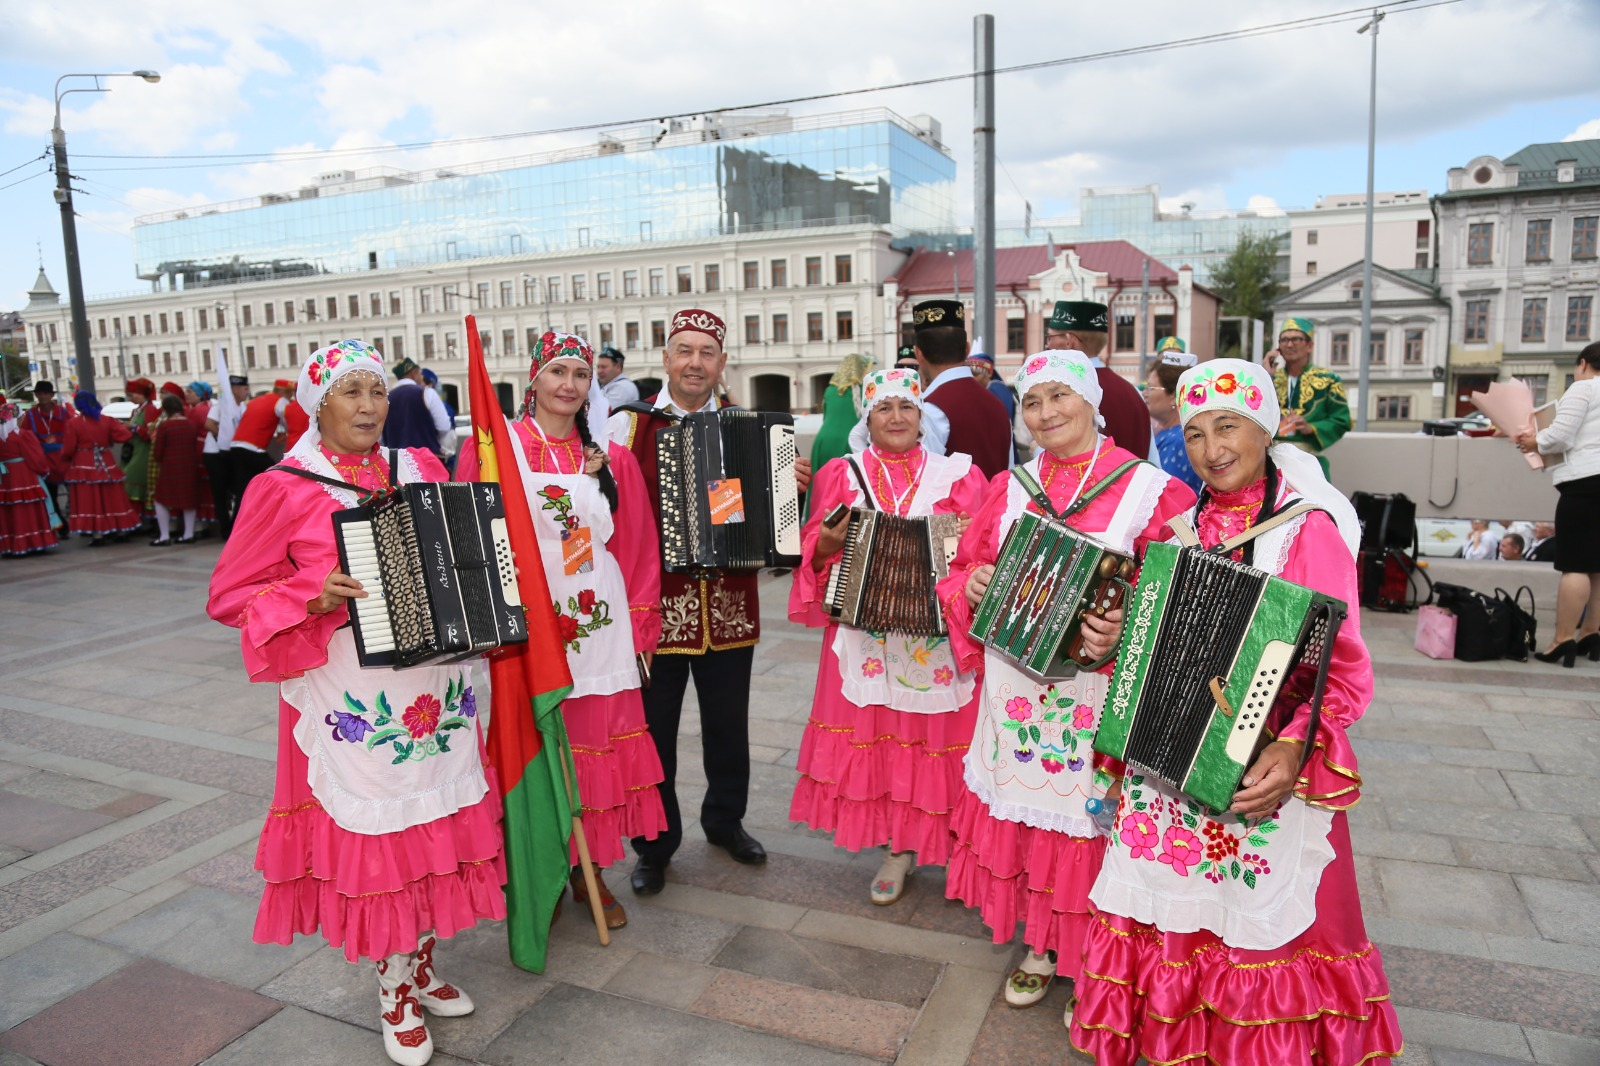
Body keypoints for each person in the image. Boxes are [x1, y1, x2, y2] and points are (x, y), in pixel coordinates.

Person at [1071, 357, 1402, 1065]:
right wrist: (1109, 640)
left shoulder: (1305, 531)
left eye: (1228, 426)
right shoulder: (1174, 533)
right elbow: (1146, 644)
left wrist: (1294, 746)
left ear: (1267, 427)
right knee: (1173, 911)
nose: (1212, 449)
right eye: (1193, 434)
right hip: (1168, 766)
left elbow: (1339, 667)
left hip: (1266, 762)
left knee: (1262, 920)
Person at [208, 340, 502, 1066]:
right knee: (386, 840)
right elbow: (228, 596)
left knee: (435, 825)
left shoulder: (421, 466)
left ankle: (421, 966)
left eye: (376, 391)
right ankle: (392, 988)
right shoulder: (283, 486)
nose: (369, 406)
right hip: (354, 694)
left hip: (439, 685)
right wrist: (307, 594)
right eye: (351, 393)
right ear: (320, 404)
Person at [938, 349, 1196, 1019]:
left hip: (1100, 696)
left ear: (1091, 402)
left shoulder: (1151, 490)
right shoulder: (1011, 485)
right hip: (1018, 691)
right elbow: (963, 567)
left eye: (1060, 396)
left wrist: (1127, 618)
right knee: (1034, 823)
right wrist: (970, 583)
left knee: (1095, 825)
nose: (1047, 412)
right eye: (1032, 401)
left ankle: (1102, 958)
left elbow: (1183, 596)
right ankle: (1044, 947)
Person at [457, 331, 667, 928]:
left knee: (589, 749)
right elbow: (471, 539)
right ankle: (537, 868)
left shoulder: (610, 458)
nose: (570, 384)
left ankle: (589, 869)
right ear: (533, 380)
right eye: (558, 372)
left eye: (581, 373)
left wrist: (642, 630)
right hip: (527, 628)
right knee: (533, 747)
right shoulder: (495, 452)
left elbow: (637, 549)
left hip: (596, 629)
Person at [605, 308, 812, 894]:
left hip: (728, 604)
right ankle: (654, 843)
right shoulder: (627, 426)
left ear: (722, 364)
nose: (695, 363)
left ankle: (726, 821)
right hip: (655, 609)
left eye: (707, 353)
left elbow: (773, 532)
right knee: (654, 730)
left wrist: (788, 489)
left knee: (728, 725)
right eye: (685, 351)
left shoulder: (749, 427)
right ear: (666, 358)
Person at [789, 368, 990, 903]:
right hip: (866, 635)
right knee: (883, 738)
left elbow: (982, 551)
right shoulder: (842, 472)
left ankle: (957, 846)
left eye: (906, 406)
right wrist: (829, 544)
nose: (897, 417)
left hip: (937, 636)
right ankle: (897, 848)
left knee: (939, 742)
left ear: (922, 415)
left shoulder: (960, 476)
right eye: (884, 408)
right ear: (868, 417)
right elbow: (814, 547)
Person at [1514, 342, 1600, 666]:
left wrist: (1532, 440)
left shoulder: (1583, 389)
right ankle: (1592, 633)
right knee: (1597, 567)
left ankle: (1562, 639)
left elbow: (1561, 435)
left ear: (1582, 364)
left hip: (1583, 484)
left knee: (1576, 564)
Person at [911, 300, 1012, 479]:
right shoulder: (997, 405)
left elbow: (925, 481)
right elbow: (1009, 474)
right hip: (997, 505)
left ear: (918, 354)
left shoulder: (930, 410)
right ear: (967, 349)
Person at [1044, 301, 1151, 461]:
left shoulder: (1061, 392)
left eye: (1050, 337)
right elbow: (1153, 460)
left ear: (1069, 340)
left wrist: (1036, 451)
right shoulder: (1134, 393)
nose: (1047, 345)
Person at [1267, 317, 1351, 475]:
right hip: (1271, 462)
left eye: (1296, 339)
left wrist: (1311, 428)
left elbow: (1342, 420)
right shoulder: (1270, 379)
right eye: (1284, 340)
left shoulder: (1328, 380)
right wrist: (1265, 376)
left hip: (1309, 461)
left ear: (1309, 345)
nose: (1289, 344)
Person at [58, 392, 140, 547]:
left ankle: (98, 534)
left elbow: (68, 449)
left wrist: (66, 458)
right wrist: (106, 441)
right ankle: (121, 530)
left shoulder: (73, 423)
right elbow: (124, 435)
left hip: (84, 463)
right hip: (105, 461)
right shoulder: (107, 420)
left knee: (91, 499)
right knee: (112, 497)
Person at [808, 353, 874, 513]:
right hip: (848, 442)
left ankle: (817, 516)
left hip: (823, 441)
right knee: (847, 484)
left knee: (823, 484)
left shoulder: (830, 390)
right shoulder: (865, 390)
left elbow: (825, 417)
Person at [0, 400, 58, 556]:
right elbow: (36, 457)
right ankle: (33, 541)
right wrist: (43, 470)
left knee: (9, 508)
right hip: (24, 475)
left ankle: (11, 543)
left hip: (4, 477)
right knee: (29, 508)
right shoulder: (22, 436)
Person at [1145, 348, 1203, 496]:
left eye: (1151, 388)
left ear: (1173, 396)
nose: (1145, 393)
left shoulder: (1178, 441)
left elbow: (1165, 497)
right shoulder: (1173, 434)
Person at [150, 393, 202, 545]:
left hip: (169, 467)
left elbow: (158, 451)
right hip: (189, 466)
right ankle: (188, 534)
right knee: (189, 500)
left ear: (166, 410)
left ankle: (164, 536)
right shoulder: (190, 425)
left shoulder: (165, 426)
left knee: (160, 500)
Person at [21, 380, 73, 530]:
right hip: (45, 462)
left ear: (51, 395)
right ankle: (61, 524)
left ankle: (79, 522)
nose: (42, 396)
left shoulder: (63, 413)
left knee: (75, 493)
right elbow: (25, 437)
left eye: (46, 393)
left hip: (65, 460)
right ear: (36, 395)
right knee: (51, 496)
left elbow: (73, 432)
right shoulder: (30, 415)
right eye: (39, 394)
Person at [230, 379, 293, 502]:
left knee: (243, 490)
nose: (291, 396)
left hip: (236, 447)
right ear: (283, 392)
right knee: (277, 476)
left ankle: (238, 519)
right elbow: (290, 421)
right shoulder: (281, 401)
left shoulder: (254, 401)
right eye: (290, 393)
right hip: (254, 449)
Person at [206, 373, 249, 538]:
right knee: (220, 492)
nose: (247, 392)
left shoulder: (243, 407)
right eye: (244, 388)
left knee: (237, 490)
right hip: (215, 453)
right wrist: (222, 437)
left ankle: (233, 526)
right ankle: (225, 529)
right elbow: (209, 424)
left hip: (232, 452)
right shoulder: (220, 406)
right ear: (235, 389)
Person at [383, 358, 452, 458]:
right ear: (413, 373)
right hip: (426, 459)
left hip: (395, 462)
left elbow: (379, 436)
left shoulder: (386, 399)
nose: (421, 377)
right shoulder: (427, 393)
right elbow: (444, 426)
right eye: (420, 374)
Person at [122, 378, 160, 518]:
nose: (130, 397)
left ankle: (140, 518)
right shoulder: (136, 410)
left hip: (144, 452)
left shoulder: (150, 410)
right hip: (135, 450)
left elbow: (151, 433)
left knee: (131, 482)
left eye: (132, 394)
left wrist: (134, 427)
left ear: (141, 394)